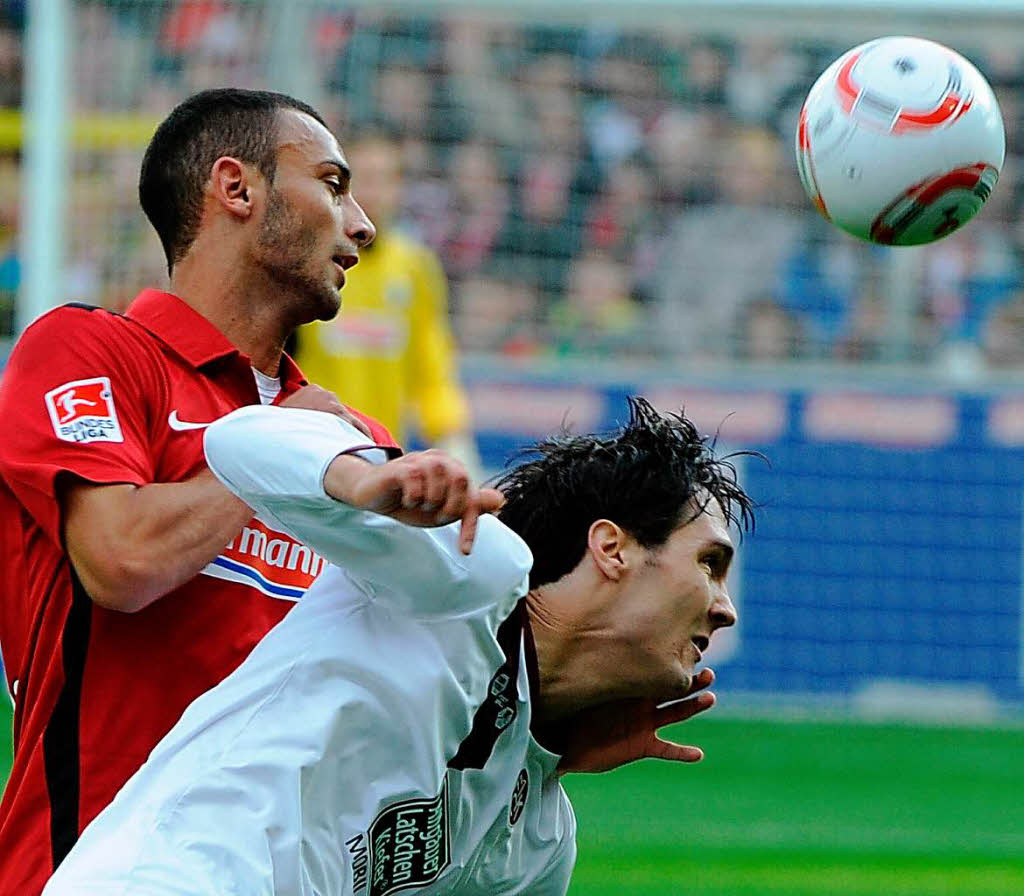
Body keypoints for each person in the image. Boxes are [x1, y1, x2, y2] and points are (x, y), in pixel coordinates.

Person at [43, 397, 753, 895]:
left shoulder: (539, 836)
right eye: (709, 564)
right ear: (612, 549)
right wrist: (360, 477)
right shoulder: (473, 569)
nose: (723, 608)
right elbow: (239, 441)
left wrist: (546, 753)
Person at [0, 88, 396, 894]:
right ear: (236, 188)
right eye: (332, 182)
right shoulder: (91, 352)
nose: (362, 224)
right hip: (86, 874)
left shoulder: (354, 442)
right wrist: (283, 452)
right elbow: (122, 560)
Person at [294, 126, 480, 470]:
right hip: (314, 456)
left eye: (384, 179)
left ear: (399, 188)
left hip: (384, 457)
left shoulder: (415, 267)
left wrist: (452, 439)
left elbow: (431, 365)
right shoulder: (307, 261)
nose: (373, 191)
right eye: (362, 178)